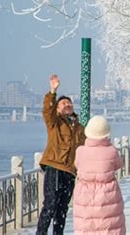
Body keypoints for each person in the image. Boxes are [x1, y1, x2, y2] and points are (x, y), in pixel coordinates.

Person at [36, 74, 86, 235]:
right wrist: (53, 91)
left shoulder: (80, 128)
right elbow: (47, 110)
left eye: (69, 103)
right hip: (55, 167)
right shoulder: (55, 122)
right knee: (50, 205)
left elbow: (86, 148)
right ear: (57, 108)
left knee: (63, 208)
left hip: (70, 171)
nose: (67, 105)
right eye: (63, 103)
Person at [73, 116, 125, 234]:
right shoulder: (112, 151)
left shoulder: (80, 151)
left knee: (87, 226)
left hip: (84, 193)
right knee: (109, 225)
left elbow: (77, 165)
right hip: (108, 193)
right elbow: (118, 164)